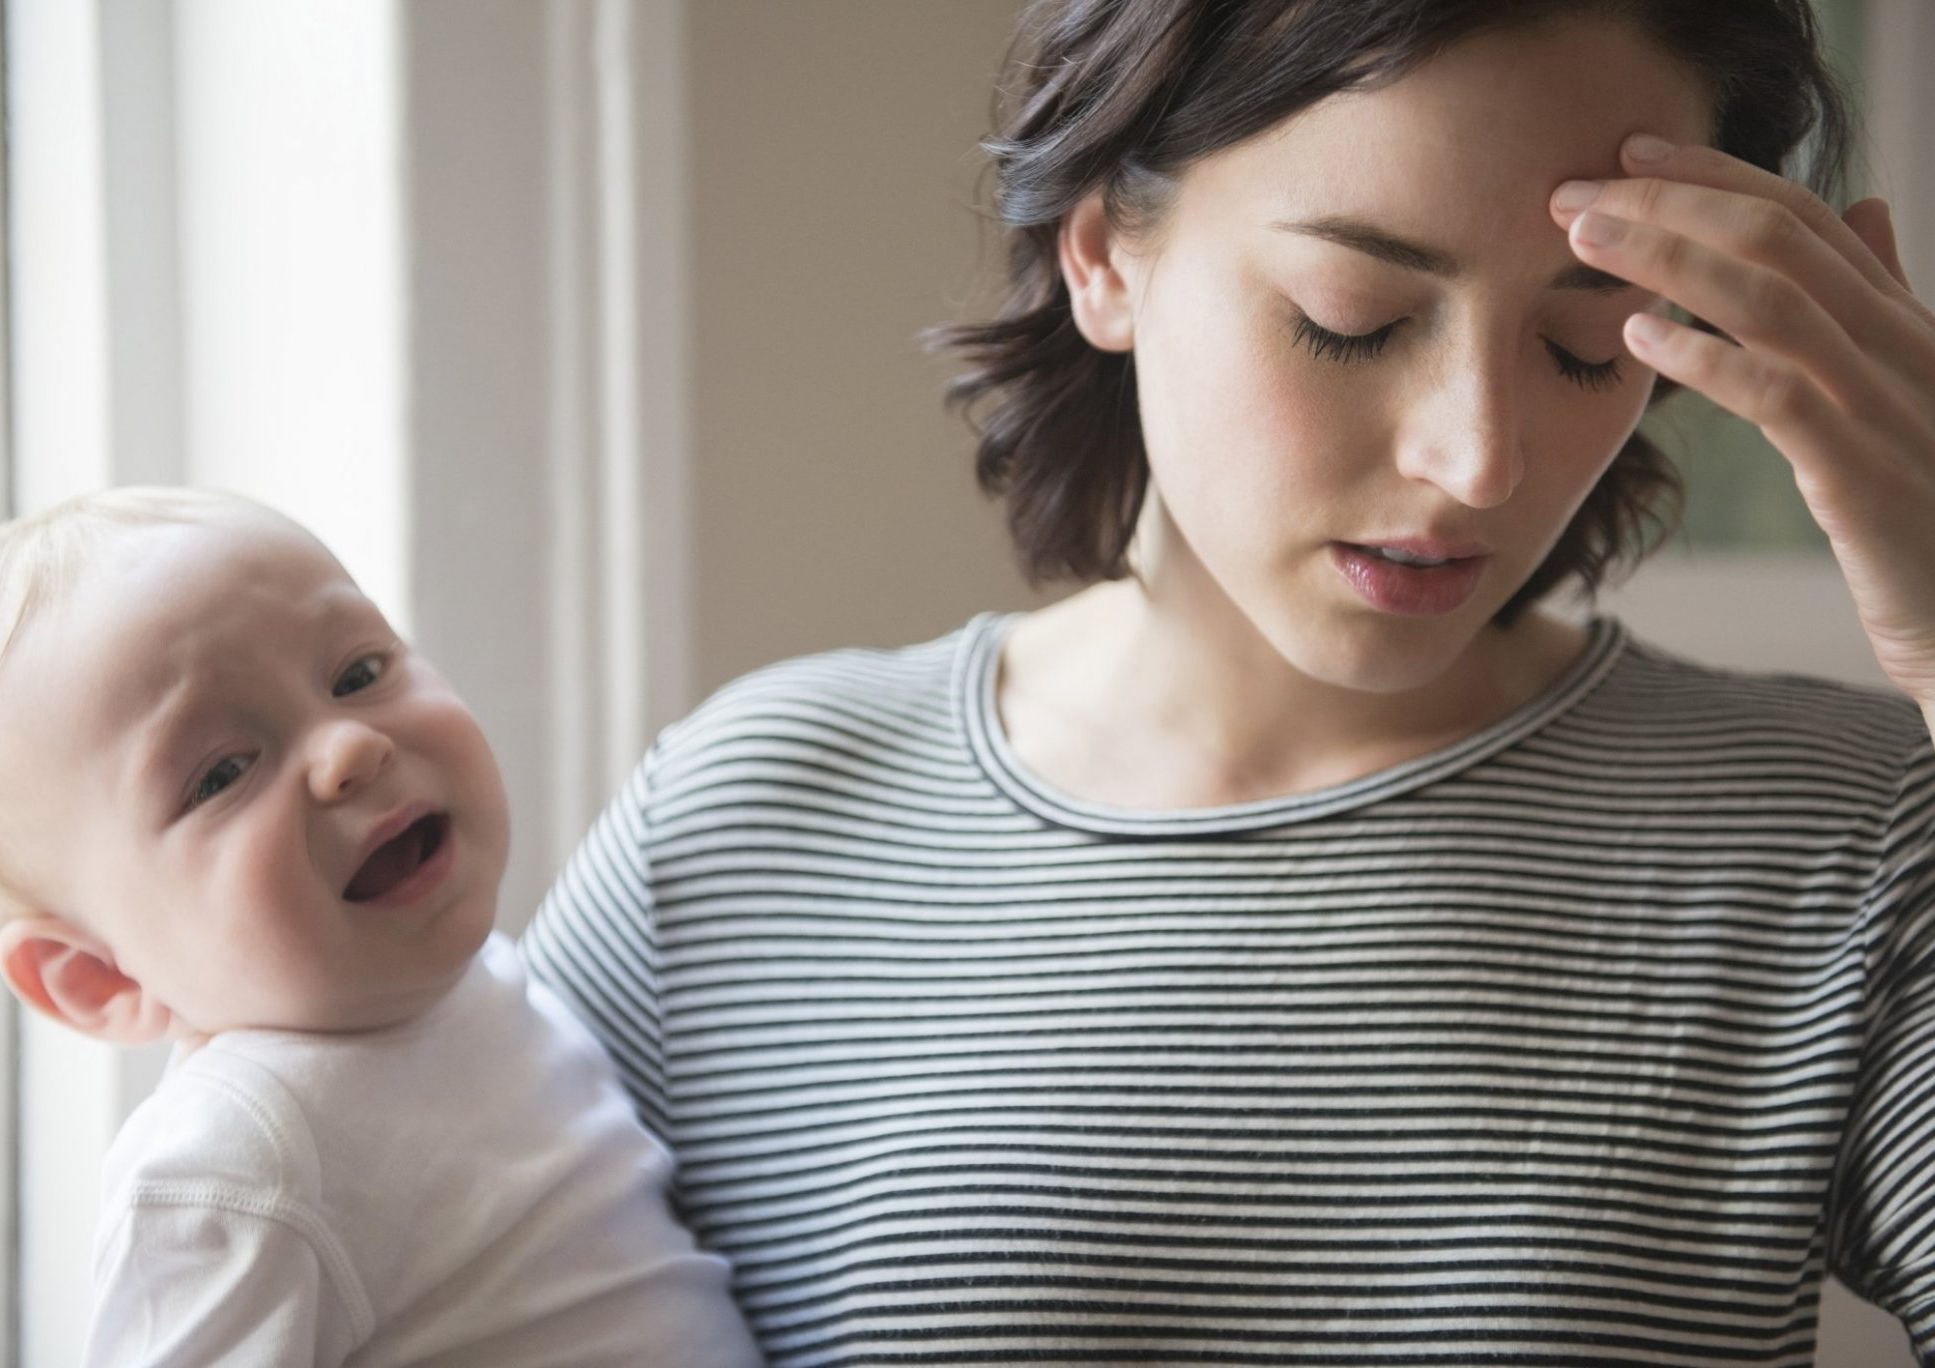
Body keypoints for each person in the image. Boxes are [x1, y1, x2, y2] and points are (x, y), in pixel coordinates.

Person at [522, 0, 1935, 1362]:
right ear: (1102, 259)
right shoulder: (743, 828)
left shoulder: (1844, 838)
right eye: (1354, 315)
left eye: (1580, 343)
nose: (1479, 461)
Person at [0, 488, 762, 1368]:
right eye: (224, 773)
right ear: (100, 979)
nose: (351, 749)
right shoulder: (238, 1159)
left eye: (358, 674)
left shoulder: (491, 982)